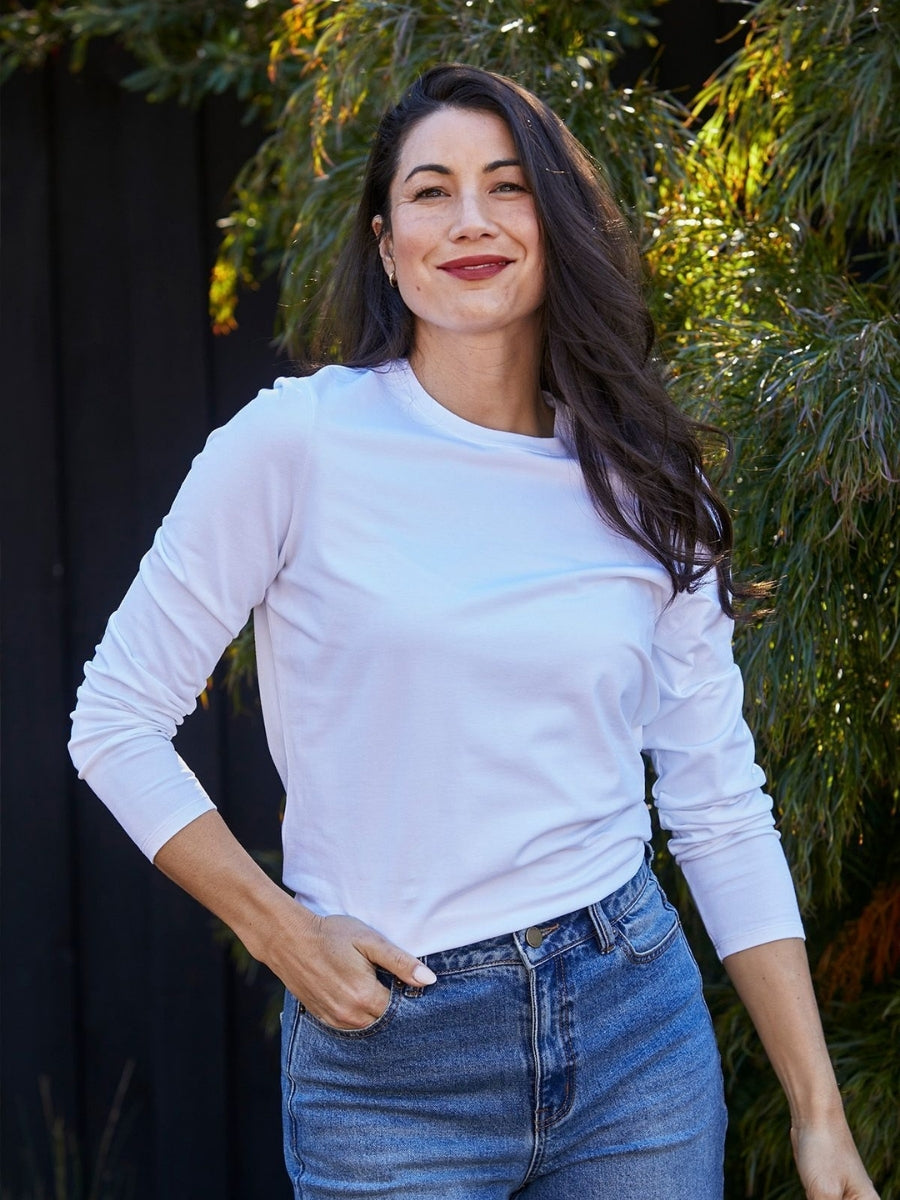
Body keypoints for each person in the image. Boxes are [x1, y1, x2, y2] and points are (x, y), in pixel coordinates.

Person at [69, 64, 878, 1200]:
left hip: (632, 1033)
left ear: (556, 224)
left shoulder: (644, 479)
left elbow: (714, 800)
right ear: (387, 241)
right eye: (431, 192)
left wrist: (816, 1110)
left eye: (507, 188)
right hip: (392, 1059)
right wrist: (281, 931)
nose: (471, 222)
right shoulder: (297, 444)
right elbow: (113, 720)